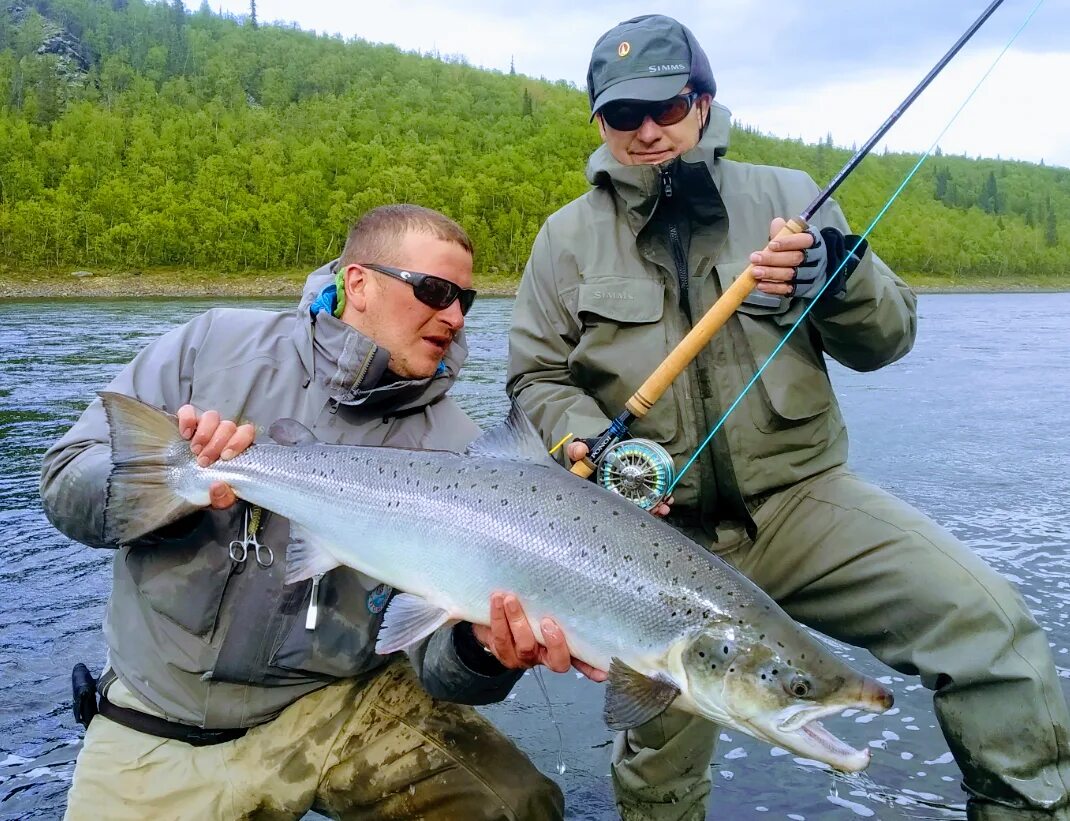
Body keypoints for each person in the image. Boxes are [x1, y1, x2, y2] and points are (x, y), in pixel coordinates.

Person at [507, 14, 1070, 821]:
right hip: (657, 533)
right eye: (623, 115)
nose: (648, 130)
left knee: (990, 628)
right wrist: (571, 437)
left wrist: (832, 276)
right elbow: (534, 373)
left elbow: (889, 339)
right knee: (658, 750)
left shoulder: (789, 199)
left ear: (703, 101)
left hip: (804, 501)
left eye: (667, 106)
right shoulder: (564, 240)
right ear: (600, 122)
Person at [42, 204, 580, 820]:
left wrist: (483, 653)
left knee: (520, 807)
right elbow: (63, 485)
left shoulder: (461, 449)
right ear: (359, 283)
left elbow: (434, 666)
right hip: (163, 711)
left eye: (466, 299)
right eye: (434, 291)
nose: (454, 317)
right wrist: (172, 493)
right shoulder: (214, 346)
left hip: (340, 702)